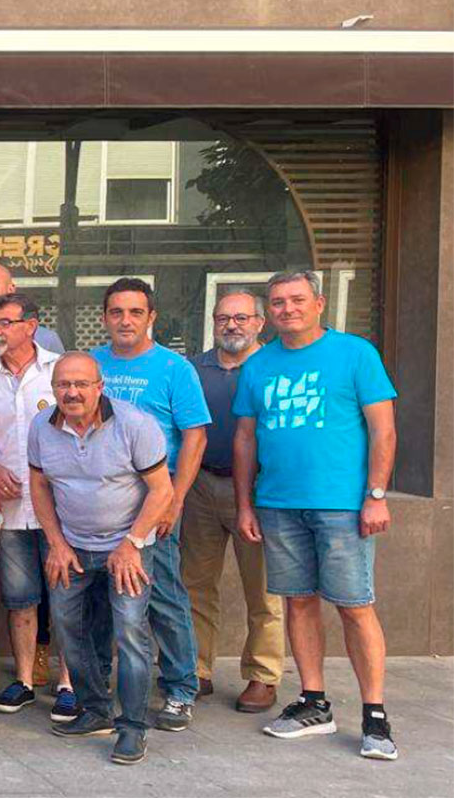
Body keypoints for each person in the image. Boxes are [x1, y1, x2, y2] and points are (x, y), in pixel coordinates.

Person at [234, 270, 399, 760]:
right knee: (298, 602)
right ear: (269, 312)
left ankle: (375, 716)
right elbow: (245, 438)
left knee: (355, 605)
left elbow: (383, 429)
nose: (288, 309)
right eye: (279, 302)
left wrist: (376, 493)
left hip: (342, 505)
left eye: (297, 300)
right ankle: (313, 702)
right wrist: (245, 502)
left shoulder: (355, 354)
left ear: (319, 303)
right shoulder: (259, 364)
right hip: (278, 504)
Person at [29, 352, 174, 766]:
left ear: (99, 387)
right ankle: (95, 711)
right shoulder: (42, 426)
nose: (71, 393)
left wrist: (131, 544)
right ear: (53, 388)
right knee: (67, 628)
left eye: (81, 384)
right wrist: (55, 542)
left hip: (127, 547)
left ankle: (132, 727)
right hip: (70, 547)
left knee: (130, 634)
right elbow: (39, 488)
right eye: (62, 385)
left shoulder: (134, 425)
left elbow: (161, 491)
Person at [92, 277, 209, 732]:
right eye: (116, 312)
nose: (125, 320)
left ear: (151, 317)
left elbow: (195, 435)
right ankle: (100, 685)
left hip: (153, 502)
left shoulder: (174, 369)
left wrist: (175, 498)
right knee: (101, 599)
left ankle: (180, 688)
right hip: (99, 505)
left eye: (135, 312)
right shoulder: (91, 363)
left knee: (161, 596)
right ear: (104, 318)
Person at [0, 293, 73, 717]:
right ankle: (25, 680)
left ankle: (68, 682)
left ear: (31, 325)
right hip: (9, 509)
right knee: (20, 597)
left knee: (66, 595)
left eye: (6, 323)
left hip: (61, 508)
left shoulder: (58, 372)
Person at [181, 291, 283, 714]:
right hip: (201, 485)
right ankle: (196, 668)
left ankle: (263, 675)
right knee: (195, 585)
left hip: (259, 491)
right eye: (223, 318)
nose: (232, 326)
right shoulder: (194, 369)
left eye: (242, 318)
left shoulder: (274, 366)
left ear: (260, 322)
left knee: (264, 590)